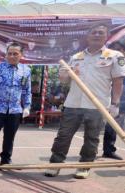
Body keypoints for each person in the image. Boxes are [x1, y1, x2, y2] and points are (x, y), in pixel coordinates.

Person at [45, 24, 125, 179]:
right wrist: (63, 76)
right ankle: (55, 164)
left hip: (98, 105)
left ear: (106, 36)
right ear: (88, 37)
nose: (96, 35)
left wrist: (115, 104)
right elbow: (65, 82)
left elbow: (117, 82)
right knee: (63, 136)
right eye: (93, 32)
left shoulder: (114, 56)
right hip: (73, 104)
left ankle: (84, 166)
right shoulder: (76, 57)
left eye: (100, 32)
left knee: (92, 137)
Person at [0, 42, 32, 173]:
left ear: (21, 55)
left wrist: (27, 106)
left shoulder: (26, 71)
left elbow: (27, 90)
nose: (12, 56)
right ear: (6, 54)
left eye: (15, 54)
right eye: (9, 53)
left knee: (10, 137)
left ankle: (5, 160)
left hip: (14, 110)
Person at [102, 41, 125, 160]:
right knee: (102, 126)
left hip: (122, 101)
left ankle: (109, 150)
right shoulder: (106, 63)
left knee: (115, 127)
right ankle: (93, 150)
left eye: (119, 49)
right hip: (109, 100)